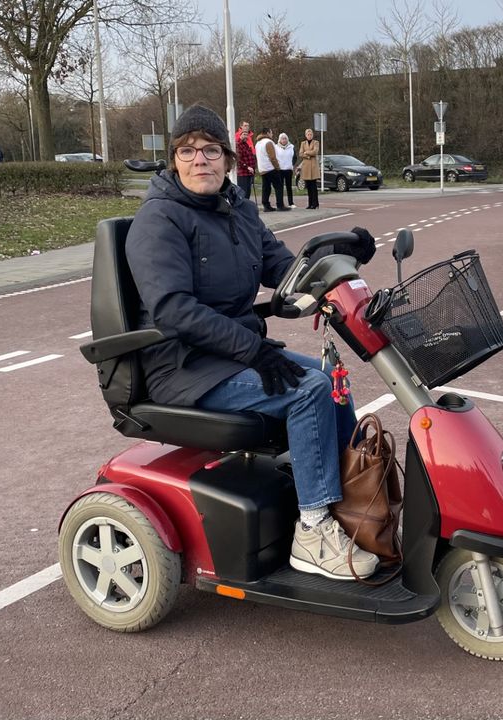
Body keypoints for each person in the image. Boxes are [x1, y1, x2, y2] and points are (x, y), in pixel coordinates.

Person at [125, 104, 380, 581]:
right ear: (174, 160)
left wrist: (340, 258)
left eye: (210, 150)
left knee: (330, 378)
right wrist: (253, 350)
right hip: (184, 367)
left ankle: (354, 505)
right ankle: (313, 528)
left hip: (230, 355)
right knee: (308, 391)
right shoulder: (159, 221)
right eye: (187, 150)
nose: (199, 159)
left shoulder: (237, 209)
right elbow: (173, 310)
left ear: (228, 158)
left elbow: (284, 268)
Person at [254, 128, 286, 212]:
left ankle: (266, 205)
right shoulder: (268, 142)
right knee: (278, 186)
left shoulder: (258, 143)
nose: (272, 135)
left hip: (262, 168)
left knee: (266, 187)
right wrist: (277, 167)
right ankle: (280, 205)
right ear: (267, 133)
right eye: (271, 133)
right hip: (271, 168)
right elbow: (272, 157)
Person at [299, 128, 321, 209]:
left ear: (312, 135)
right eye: (308, 134)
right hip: (306, 167)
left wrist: (306, 152)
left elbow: (315, 152)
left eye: (310, 134)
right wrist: (308, 155)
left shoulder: (316, 142)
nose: (309, 136)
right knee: (308, 186)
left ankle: (315, 204)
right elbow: (300, 153)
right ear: (305, 135)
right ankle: (310, 203)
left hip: (313, 167)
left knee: (313, 186)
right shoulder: (303, 143)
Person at [234, 120, 255, 199]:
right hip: (243, 171)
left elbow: (251, 154)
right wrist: (247, 166)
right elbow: (238, 159)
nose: (247, 127)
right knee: (243, 191)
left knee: (248, 191)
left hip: (250, 171)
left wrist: (253, 167)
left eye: (248, 126)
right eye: (245, 125)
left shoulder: (247, 143)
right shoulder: (237, 143)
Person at [276, 132, 296, 210]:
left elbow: (295, 157)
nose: (284, 140)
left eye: (285, 139)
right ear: (279, 140)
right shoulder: (276, 147)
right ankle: (281, 203)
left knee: (289, 187)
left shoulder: (291, 147)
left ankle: (291, 203)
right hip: (280, 170)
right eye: (282, 139)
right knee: (280, 187)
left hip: (288, 169)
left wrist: (292, 164)